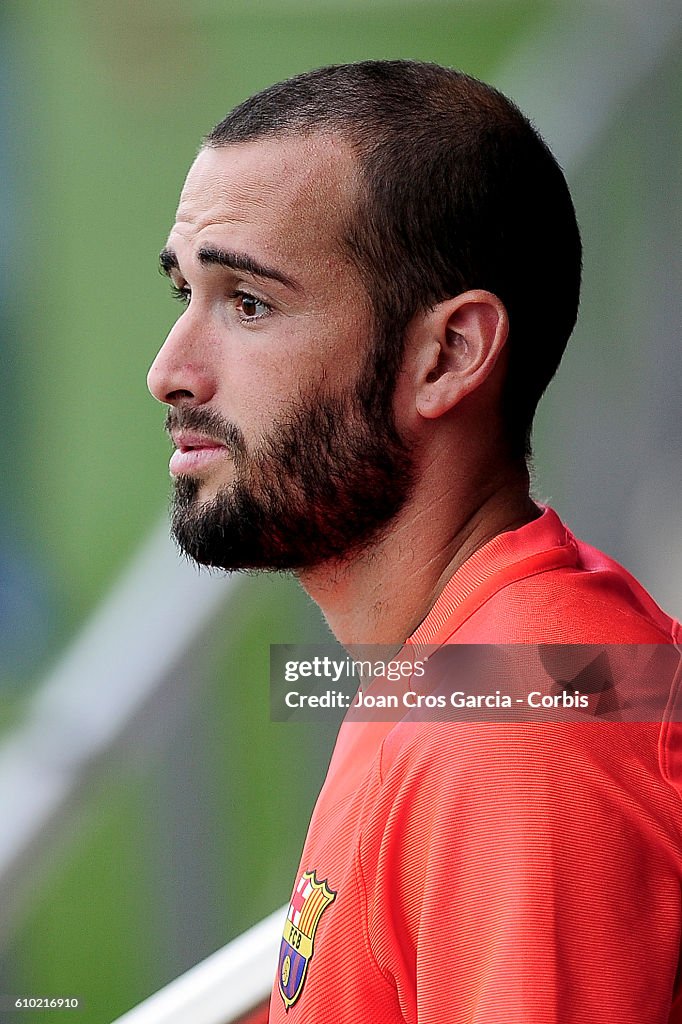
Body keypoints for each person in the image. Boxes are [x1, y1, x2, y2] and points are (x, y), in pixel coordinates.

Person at [147, 61, 682, 1022]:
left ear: (449, 355)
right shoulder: (478, 656)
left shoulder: (518, 748)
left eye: (249, 304)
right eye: (183, 292)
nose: (170, 372)